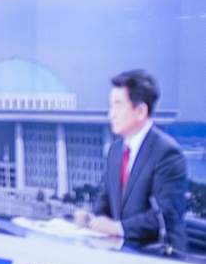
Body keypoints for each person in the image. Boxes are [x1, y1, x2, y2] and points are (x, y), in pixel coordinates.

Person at [75, 70, 187, 253]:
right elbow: (107, 197)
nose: (111, 115)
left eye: (118, 106)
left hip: (159, 257)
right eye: (110, 106)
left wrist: (118, 229)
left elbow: (165, 215)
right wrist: (94, 220)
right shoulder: (115, 149)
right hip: (123, 252)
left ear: (141, 111)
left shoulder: (167, 153)